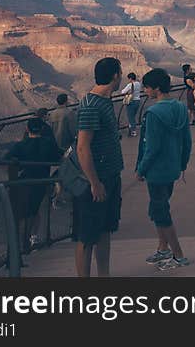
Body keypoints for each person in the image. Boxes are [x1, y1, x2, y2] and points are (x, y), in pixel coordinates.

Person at [136, 68, 192, 270]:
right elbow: (187, 141)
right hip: (173, 168)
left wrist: (141, 169)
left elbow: (151, 148)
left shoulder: (153, 113)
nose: (145, 91)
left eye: (148, 87)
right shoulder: (180, 107)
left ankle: (178, 255)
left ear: (157, 88)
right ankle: (163, 249)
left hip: (156, 171)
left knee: (161, 212)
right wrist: (182, 163)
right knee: (159, 207)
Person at [74, 57, 124, 277]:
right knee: (86, 237)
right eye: (120, 72)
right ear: (115, 75)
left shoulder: (104, 102)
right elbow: (83, 148)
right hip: (96, 181)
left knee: (105, 230)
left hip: (110, 177)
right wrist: (94, 183)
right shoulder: (91, 105)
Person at [7, 117, 62, 250]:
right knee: (35, 210)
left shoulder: (20, 145)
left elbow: (7, 162)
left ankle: (21, 241)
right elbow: (59, 157)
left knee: (24, 212)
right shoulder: (48, 143)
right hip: (42, 182)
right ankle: (33, 237)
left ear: (27, 129)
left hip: (24, 181)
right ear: (42, 129)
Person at [121, 72, 142, 137]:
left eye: (128, 79)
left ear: (130, 78)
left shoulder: (130, 85)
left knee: (131, 117)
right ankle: (131, 129)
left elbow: (123, 91)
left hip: (131, 102)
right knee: (133, 116)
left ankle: (133, 131)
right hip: (138, 101)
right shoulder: (138, 83)